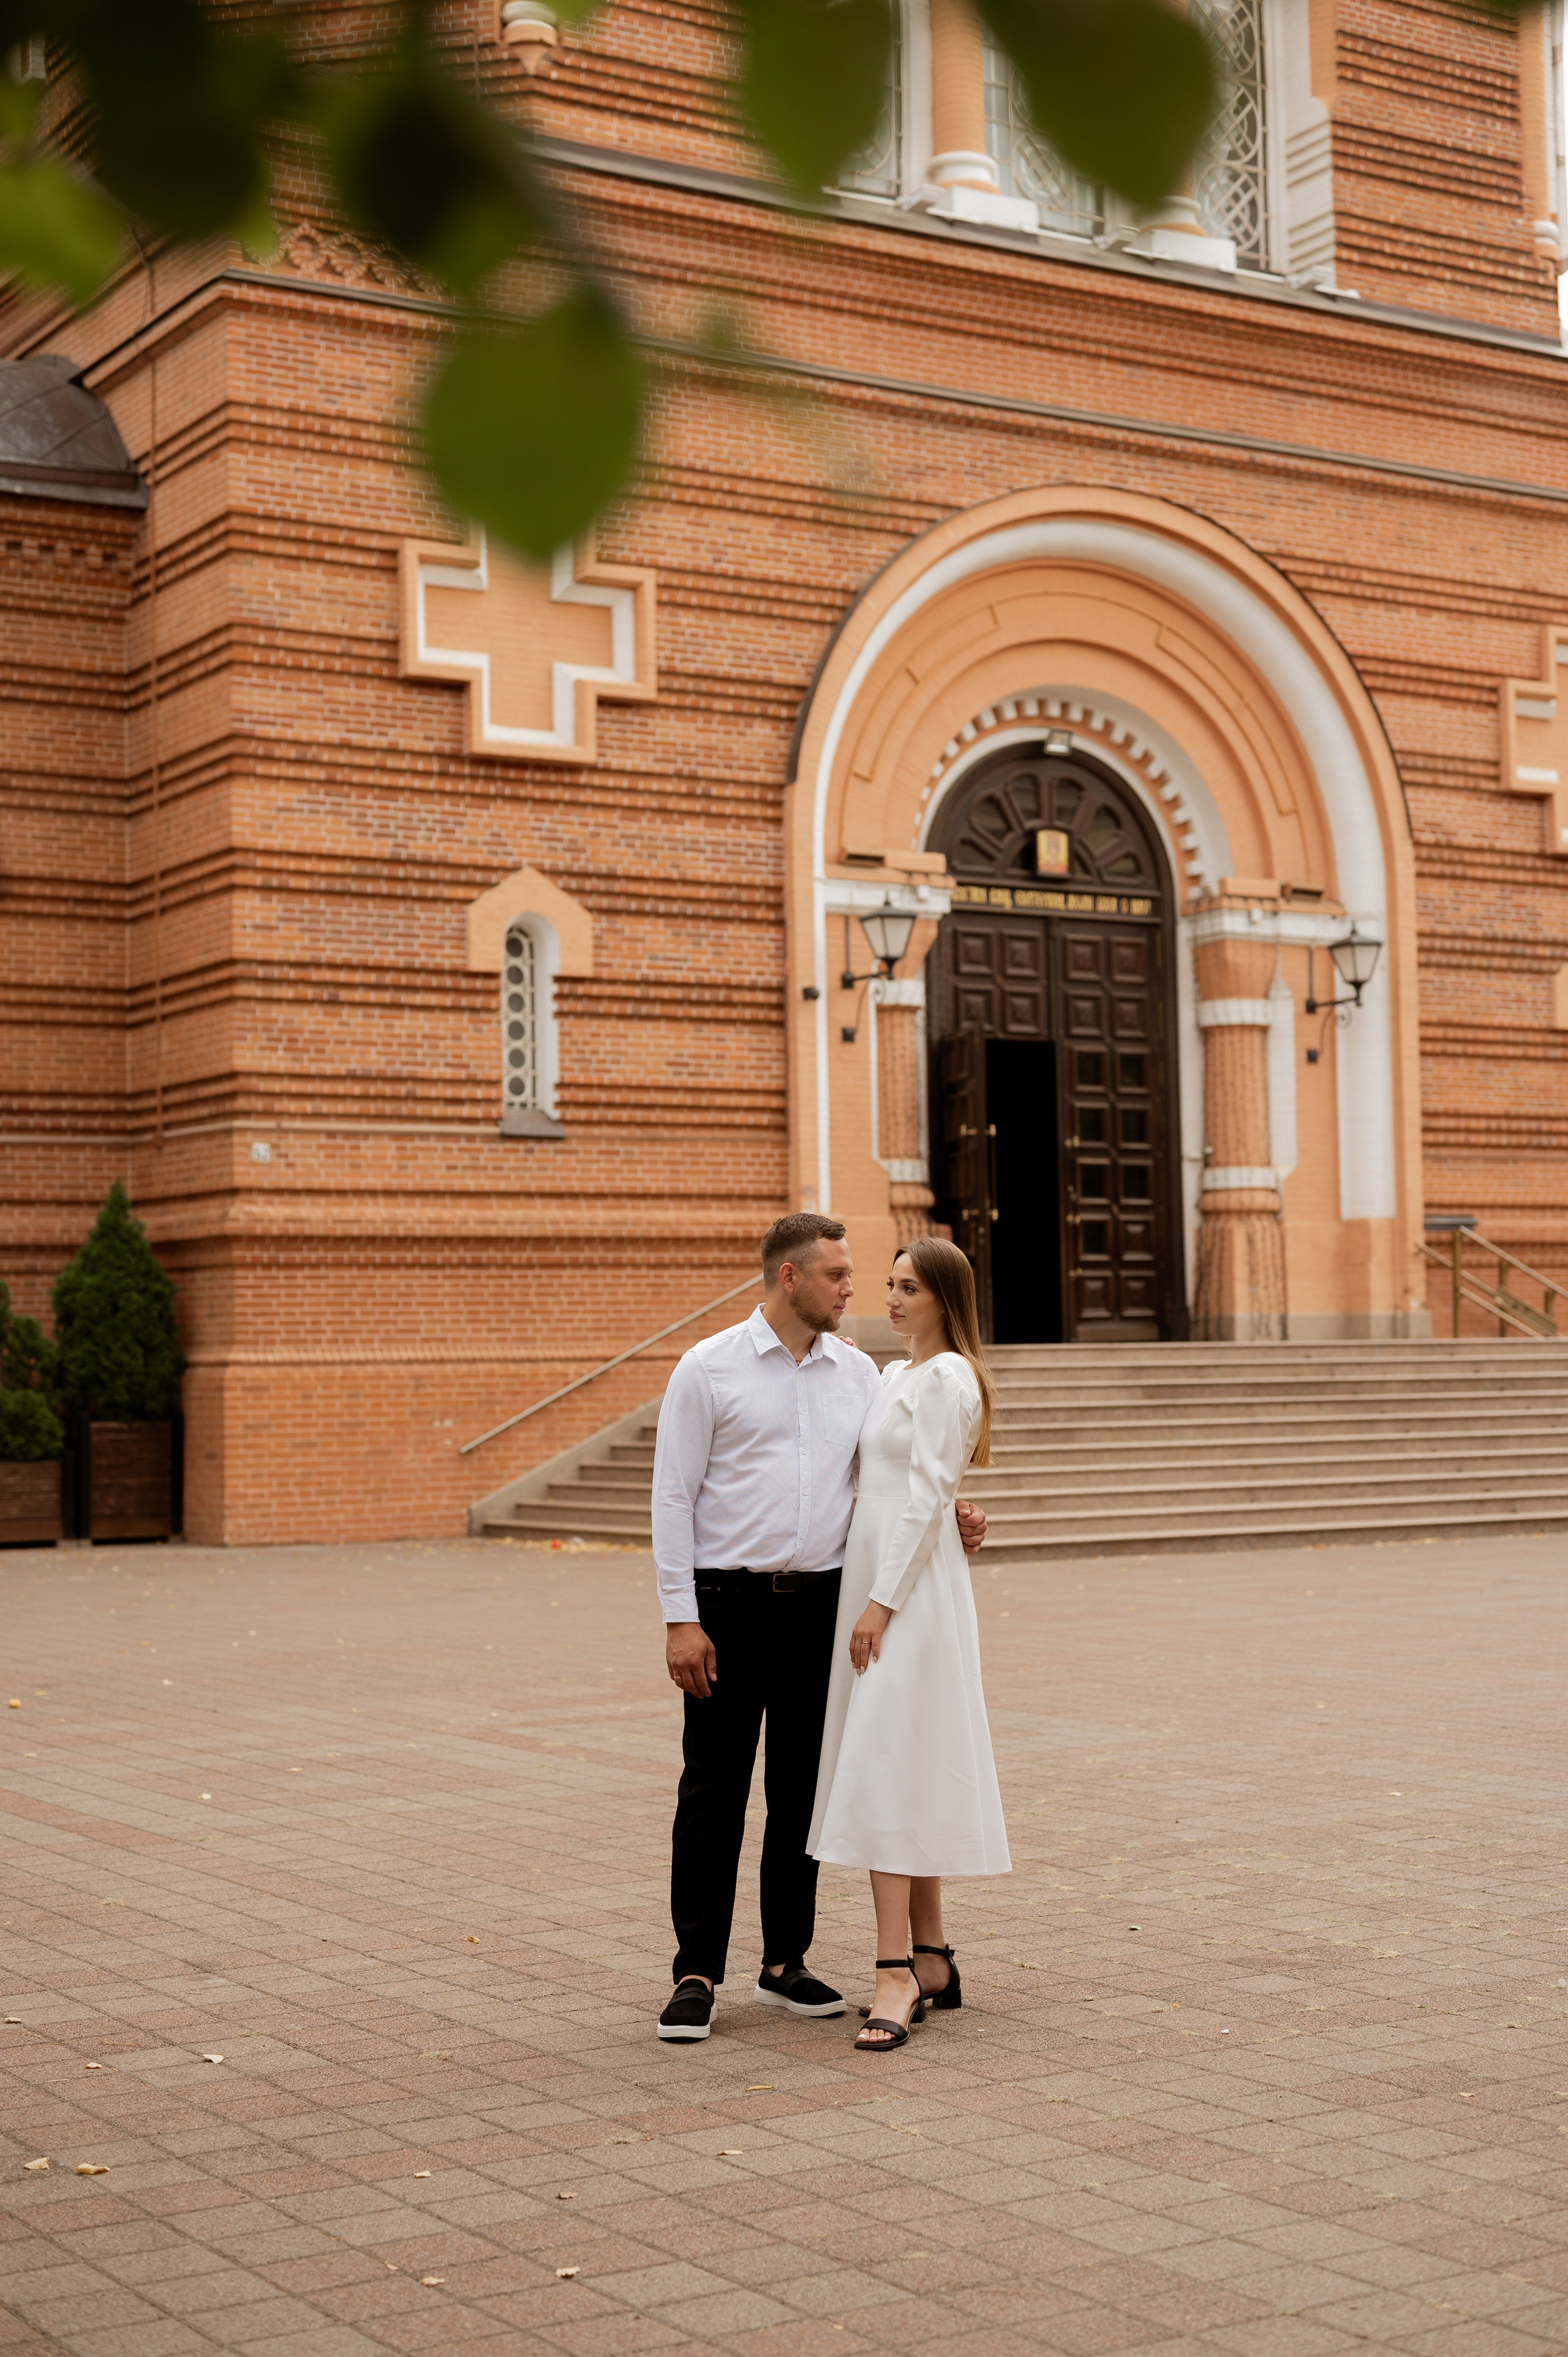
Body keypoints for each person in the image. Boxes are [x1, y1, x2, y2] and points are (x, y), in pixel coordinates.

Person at [652, 1212, 987, 2043]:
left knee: (802, 1790)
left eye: (862, 1276)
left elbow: (904, 1474)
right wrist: (680, 1618)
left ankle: (783, 1963)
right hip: (727, 1604)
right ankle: (696, 1970)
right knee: (715, 1790)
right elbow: (672, 1497)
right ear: (790, 1278)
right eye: (839, 1275)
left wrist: (957, 1518)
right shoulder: (708, 1368)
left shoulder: (859, 1374)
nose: (855, 1290)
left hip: (827, 1604)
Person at [808, 1236, 1011, 2052]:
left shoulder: (951, 1376)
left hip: (907, 1597)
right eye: (888, 1285)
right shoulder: (896, 1373)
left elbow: (929, 1493)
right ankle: (930, 1957)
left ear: (945, 1299)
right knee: (900, 1759)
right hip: (881, 1579)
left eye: (909, 1289)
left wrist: (881, 1606)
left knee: (886, 1765)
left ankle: (893, 1969)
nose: (892, 1300)